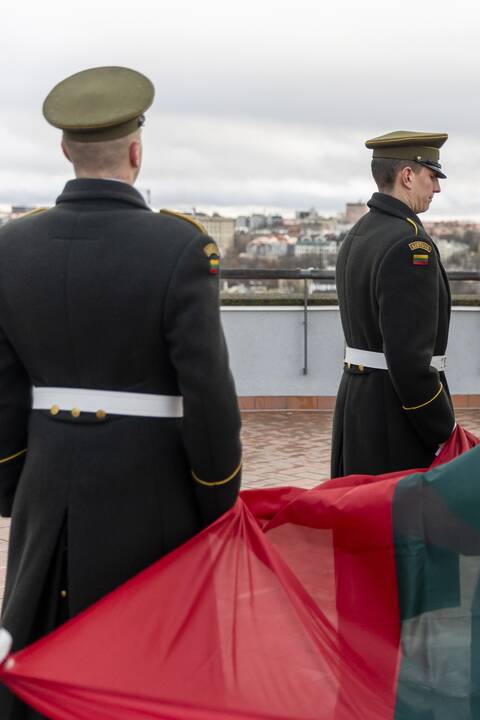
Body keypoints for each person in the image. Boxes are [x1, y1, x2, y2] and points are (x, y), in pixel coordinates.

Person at [0, 66, 243, 715]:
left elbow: (3, 393)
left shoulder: (10, 247)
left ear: (64, 152)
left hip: (46, 488)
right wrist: (217, 503)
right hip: (151, 495)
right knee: (147, 670)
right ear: (137, 151)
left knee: (41, 656)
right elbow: (210, 399)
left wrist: (13, 490)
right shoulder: (180, 247)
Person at [331, 131, 456, 477]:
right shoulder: (410, 245)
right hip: (395, 415)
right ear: (407, 176)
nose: (437, 188)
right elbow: (409, 364)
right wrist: (443, 430)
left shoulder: (359, 233)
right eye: (431, 177)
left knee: (359, 518)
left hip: (357, 402)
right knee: (399, 525)